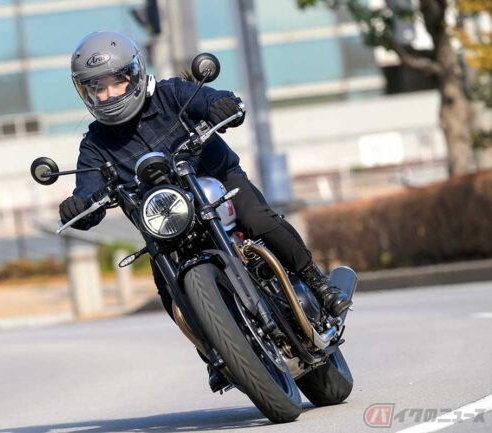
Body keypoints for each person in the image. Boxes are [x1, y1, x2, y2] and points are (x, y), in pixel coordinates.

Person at [59, 31, 352, 389]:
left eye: (113, 84)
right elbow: (87, 191)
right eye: (96, 89)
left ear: (132, 76)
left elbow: (213, 99)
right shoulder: (95, 144)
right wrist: (79, 205)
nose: (107, 95)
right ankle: (214, 350)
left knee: (258, 219)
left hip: (218, 182)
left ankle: (318, 284)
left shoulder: (172, 94)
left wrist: (222, 106)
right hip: (167, 223)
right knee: (167, 287)